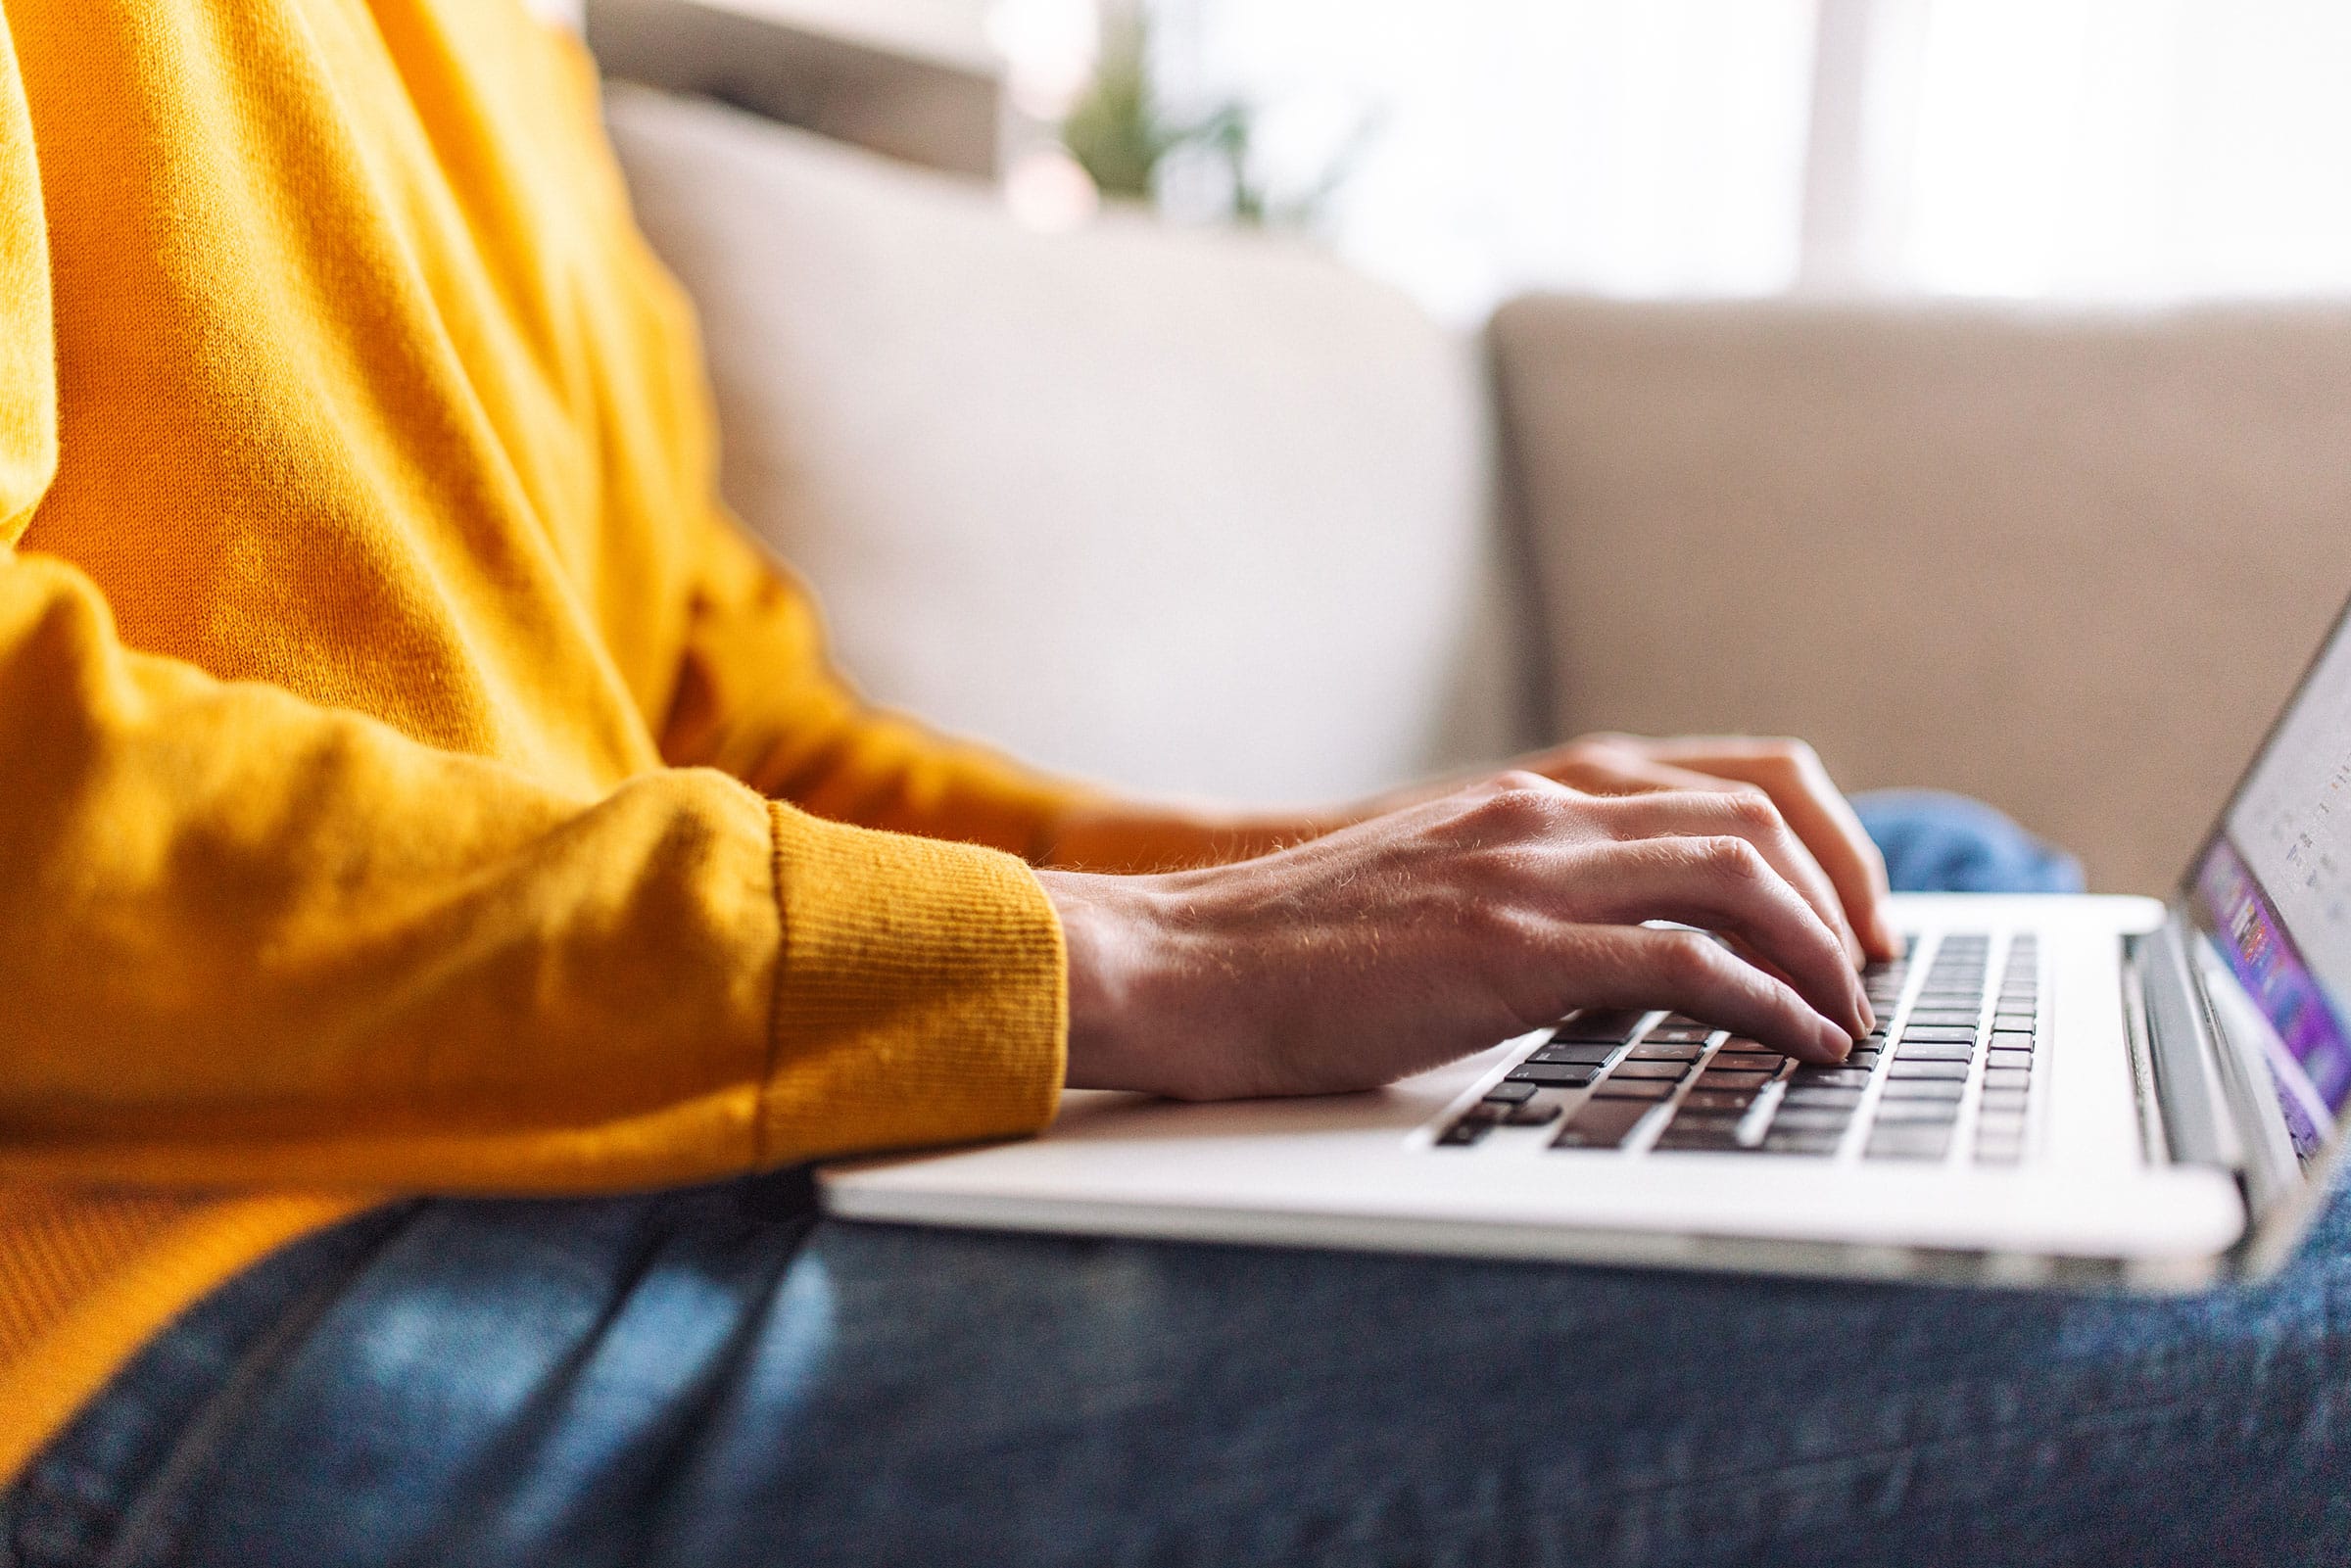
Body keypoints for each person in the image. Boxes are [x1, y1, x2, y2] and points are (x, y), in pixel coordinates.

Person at [0, 4, 2340, 1565]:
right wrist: (1135, 967)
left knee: (1921, 905)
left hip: (583, 1110)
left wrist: (1321, 894)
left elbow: (712, 725)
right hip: (186, 1305)